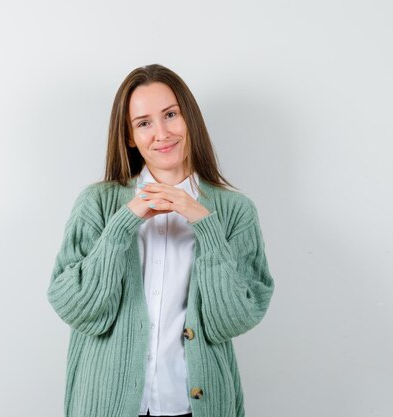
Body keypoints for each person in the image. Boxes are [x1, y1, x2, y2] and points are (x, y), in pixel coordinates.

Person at [47, 64, 275, 417]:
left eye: (171, 114)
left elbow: (234, 318)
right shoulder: (97, 203)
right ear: (128, 136)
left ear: (190, 119)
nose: (162, 133)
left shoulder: (235, 211)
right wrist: (123, 223)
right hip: (106, 405)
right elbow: (75, 306)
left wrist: (204, 223)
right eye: (144, 123)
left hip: (195, 406)